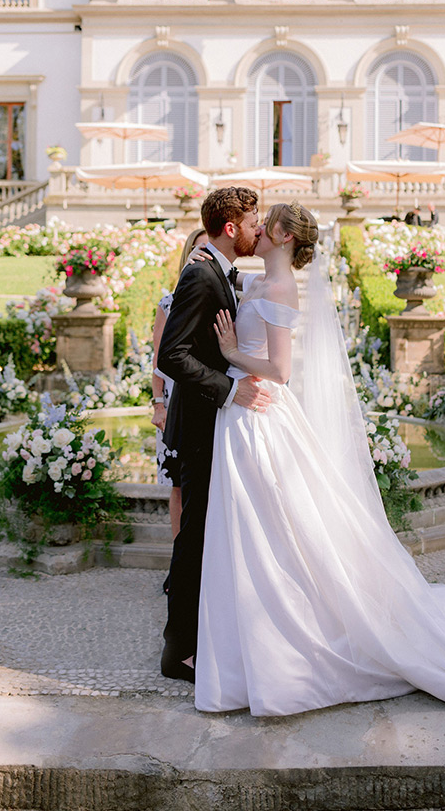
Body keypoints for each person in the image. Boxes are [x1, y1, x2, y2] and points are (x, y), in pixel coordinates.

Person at [193, 200, 445, 740]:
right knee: (257, 531)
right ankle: (248, 650)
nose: (258, 229)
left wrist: (231, 354)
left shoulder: (282, 288)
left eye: (268, 225)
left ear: (286, 237)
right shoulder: (258, 281)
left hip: (262, 410)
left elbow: (281, 371)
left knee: (273, 528)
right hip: (243, 415)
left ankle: (283, 652)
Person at [156, 186, 271, 684]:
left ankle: (201, 635)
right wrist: (229, 390)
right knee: (193, 539)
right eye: (252, 222)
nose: (257, 229)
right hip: (200, 424)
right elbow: (172, 356)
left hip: (212, 424)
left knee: (205, 536)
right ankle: (178, 653)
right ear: (231, 227)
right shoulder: (201, 274)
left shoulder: (218, 269)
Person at [152, 226, 208, 541]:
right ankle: (179, 557)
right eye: (198, 250)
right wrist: (158, 404)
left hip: (205, 398)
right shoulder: (168, 302)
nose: (203, 256)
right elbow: (159, 357)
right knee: (177, 483)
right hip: (173, 401)